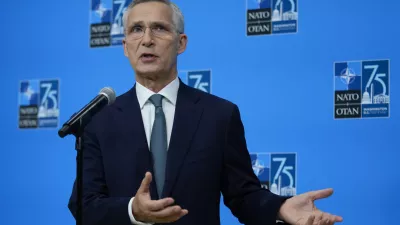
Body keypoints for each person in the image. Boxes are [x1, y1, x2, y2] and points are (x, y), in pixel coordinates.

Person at [68, 0, 344, 225]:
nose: (147, 39)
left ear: (181, 43)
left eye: (160, 29)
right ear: (126, 46)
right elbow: (84, 206)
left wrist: (280, 207)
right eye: (137, 29)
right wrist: (132, 210)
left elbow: (243, 195)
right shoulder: (99, 122)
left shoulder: (219, 116)